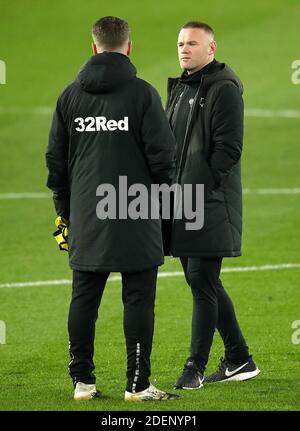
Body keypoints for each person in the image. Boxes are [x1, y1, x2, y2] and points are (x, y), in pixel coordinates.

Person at [46, 16, 179, 402]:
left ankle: (82, 383)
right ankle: (137, 385)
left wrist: (65, 211)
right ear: (129, 47)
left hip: (87, 214)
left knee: (84, 297)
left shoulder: (70, 96)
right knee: (138, 298)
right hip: (135, 211)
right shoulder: (142, 94)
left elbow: (56, 161)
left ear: (94, 48)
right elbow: (163, 157)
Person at [165, 21, 260, 389]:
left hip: (209, 203)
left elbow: (228, 151)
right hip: (182, 202)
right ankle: (239, 357)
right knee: (200, 278)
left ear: (212, 48)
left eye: (192, 43)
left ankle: (194, 368)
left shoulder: (223, 89)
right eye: (180, 43)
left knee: (202, 279)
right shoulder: (181, 88)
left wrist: (196, 192)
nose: (184, 49)